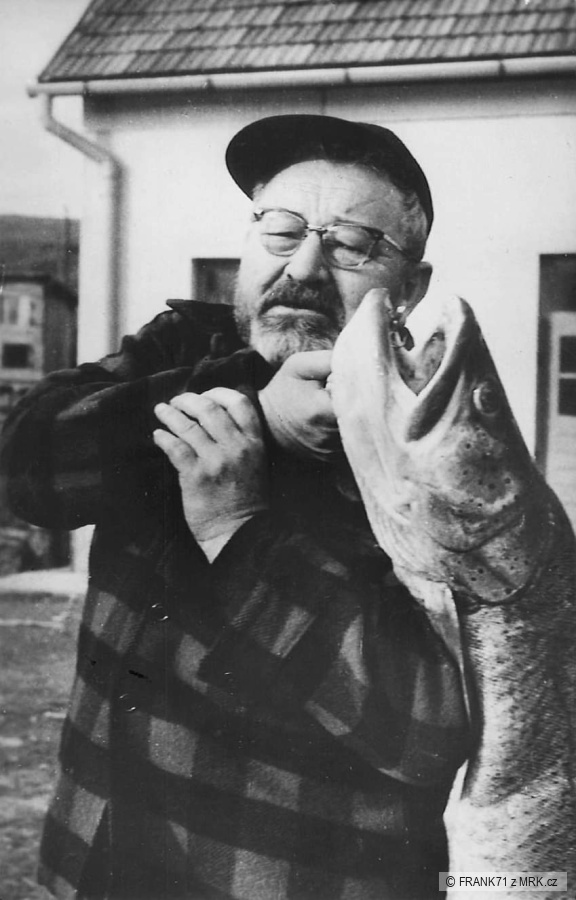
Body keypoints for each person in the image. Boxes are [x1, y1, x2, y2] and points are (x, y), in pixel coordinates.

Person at [0, 115, 470, 900]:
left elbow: (425, 726)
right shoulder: (179, 349)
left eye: (352, 245)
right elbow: (22, 466)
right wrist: (255, 409)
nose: (305, 267)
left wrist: (240, 533)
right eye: (281, 231)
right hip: (91, 868)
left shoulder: (439, 446)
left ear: (410, 289)